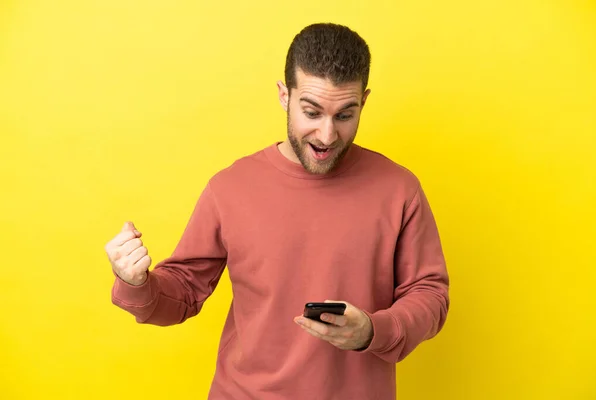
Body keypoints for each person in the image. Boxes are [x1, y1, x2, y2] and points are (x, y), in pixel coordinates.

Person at [105, 22, 450, 400]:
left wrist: (374, 330)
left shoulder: (399, 188)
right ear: (284, 95)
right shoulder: (230, 187)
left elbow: (430, 293)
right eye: (312, 112)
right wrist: (136, 283)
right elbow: (183, 292)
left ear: (363, 102)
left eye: (345, 115)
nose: (327, 135)